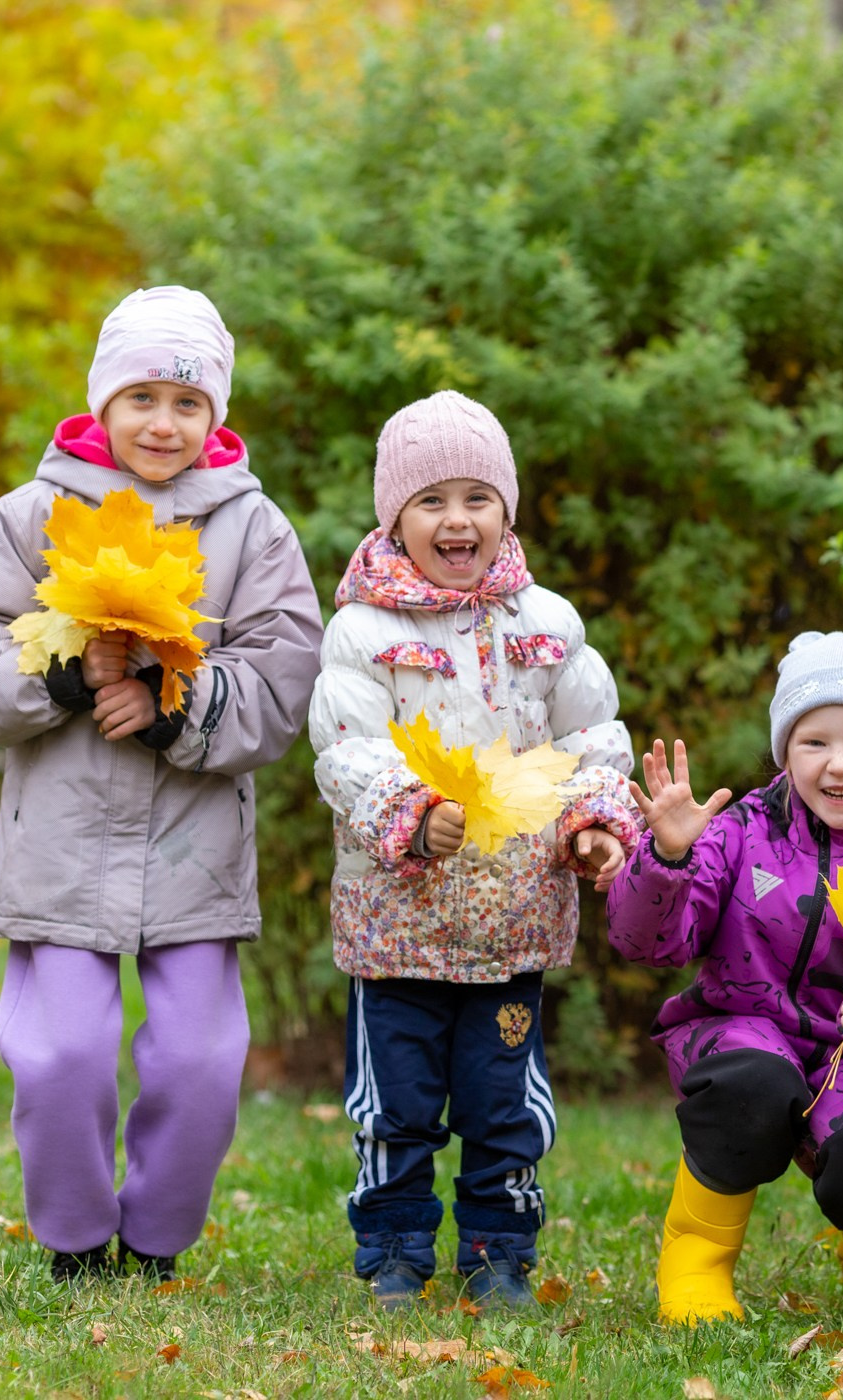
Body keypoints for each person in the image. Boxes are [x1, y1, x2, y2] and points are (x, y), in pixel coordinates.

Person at [0, 286, 322, 1282]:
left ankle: (153, 1237)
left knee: (199, 1061)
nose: (164, 421)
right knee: (60, 1054)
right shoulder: (33, 516)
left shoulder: (253, 530)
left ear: (215, 416)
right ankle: (74, 1239)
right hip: (61, 843)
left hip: (193, 846)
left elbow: (285, 676)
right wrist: (63, 673)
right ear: (103, 401)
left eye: (189, 403)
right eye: (142, 395)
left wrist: (176, 705)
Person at [309, 390, 638, 1308]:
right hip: (397, 926)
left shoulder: (547, 626)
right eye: (432, 502)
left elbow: (591, 742)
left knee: (506, 1109)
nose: (457, 520)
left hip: (510, 923)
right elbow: (346, 749)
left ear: (507, 510)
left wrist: (597, 824)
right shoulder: (364, 632)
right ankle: (395, 1249)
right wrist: (411, 811)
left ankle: (500, 1251)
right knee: (395, 1108)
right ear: (395, 518)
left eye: (476, 498)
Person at [606, 633, 843, 1323]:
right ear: (785, 752)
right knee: (751, 1086)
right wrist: (668, 857)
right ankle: (697, 1256)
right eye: (815, 742)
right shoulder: (740, 833)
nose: (840, 764)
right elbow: (645, 943)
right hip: (742, 1030)